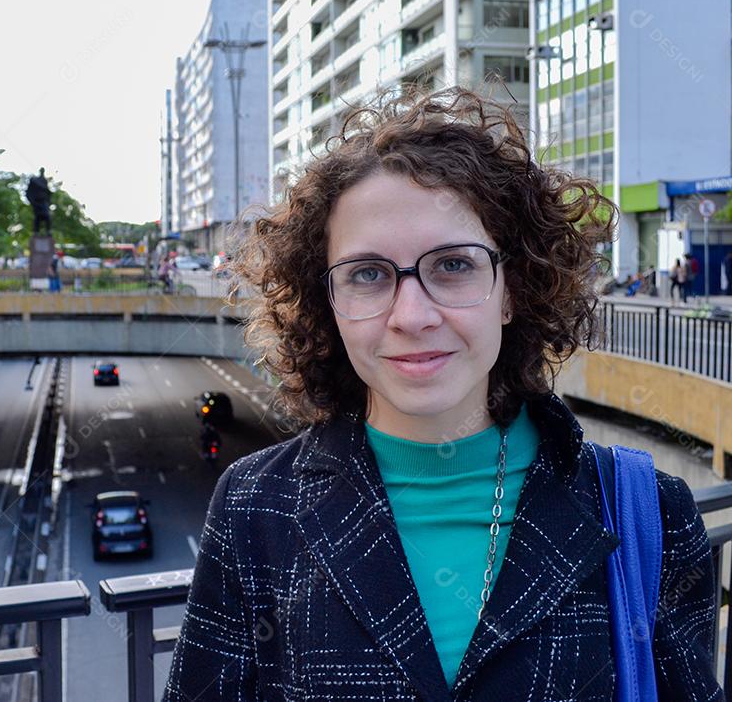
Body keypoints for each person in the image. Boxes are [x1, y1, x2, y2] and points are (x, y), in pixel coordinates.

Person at [163, 86, 720, 700]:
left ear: (513, 290)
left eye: (453, 264)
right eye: (369, 275)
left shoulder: (649, 512)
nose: (412, 315)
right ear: (327, 304)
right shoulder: (253, 507)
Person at [26, 168, 53, 235]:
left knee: (47, 216)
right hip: (37, 202)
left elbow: (47, 192)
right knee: (37, 217)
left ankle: (48, 231)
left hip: (44, 202)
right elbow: (30, 190)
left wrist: (49, 201)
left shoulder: (44, 181)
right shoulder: (35, 180)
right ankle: (36, 232)